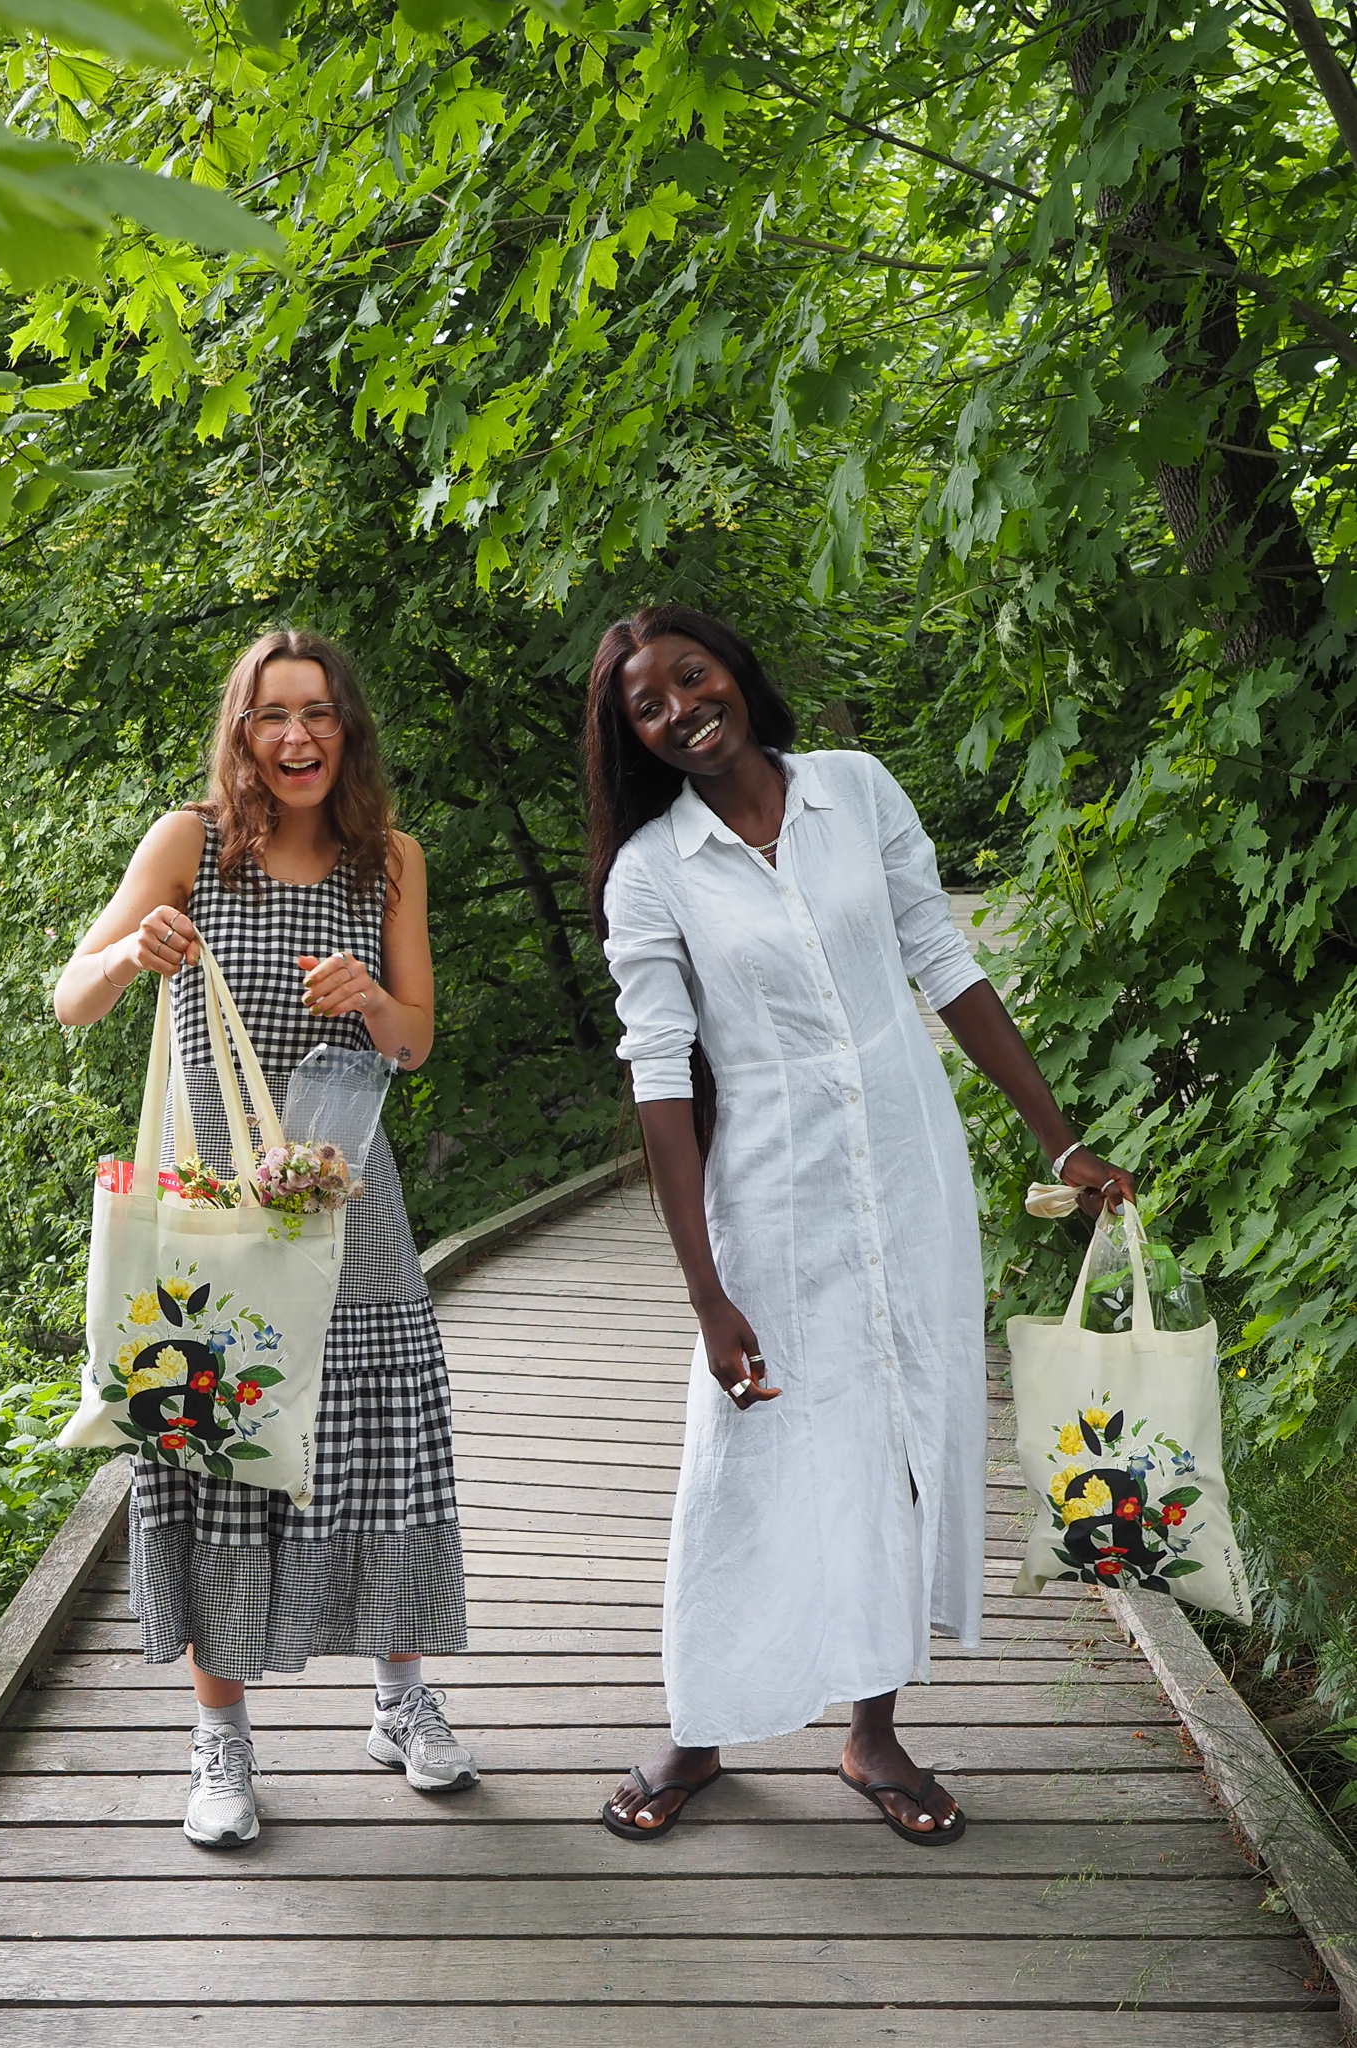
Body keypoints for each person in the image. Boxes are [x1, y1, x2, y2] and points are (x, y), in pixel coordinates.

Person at [585, 605, 1134, 1844]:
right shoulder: (653, 871)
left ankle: (871, 1730)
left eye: (692, 675)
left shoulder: (856, 787)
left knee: (900, 1435)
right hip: (770, 1197)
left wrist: (1059, 1140)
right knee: (746, 1454)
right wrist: (707, 1293)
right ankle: (700, 1727)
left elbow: (944, 958)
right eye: (647, 706)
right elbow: (660, 1074)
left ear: (734, 667)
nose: (681, 709)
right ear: (634, 739)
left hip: (910, 1167)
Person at [55, 628, 476, 1849]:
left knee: (378, 1445)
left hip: (352, 1208)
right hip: (214, 1220)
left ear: (349, 728)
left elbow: (415, 1042)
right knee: (212, 1449)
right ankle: (222, 1738)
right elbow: (71, 996)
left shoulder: (389, 860)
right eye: (272, 714)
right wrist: (134, 949)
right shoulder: (189, 843)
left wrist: (374, 999)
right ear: (241, 732)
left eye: (320, 711)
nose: (298, 736)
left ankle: (399, 1702)